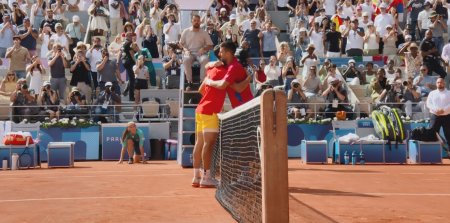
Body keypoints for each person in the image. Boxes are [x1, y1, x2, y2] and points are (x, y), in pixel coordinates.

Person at [192, 45, 249, 188]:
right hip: (210, 111)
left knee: (199, 143)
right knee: (208, 144)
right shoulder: (227, 71)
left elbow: (200, 89)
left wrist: (211, 95)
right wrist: (249, 77)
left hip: (200, 109)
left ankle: (196, 177)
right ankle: (206, 177)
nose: (220, 53)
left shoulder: (211, 69)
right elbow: (237, 88)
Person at [203, 41, 253, 109]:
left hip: (246, 107)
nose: (219, 54)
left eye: (221, 52)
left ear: (228, 54)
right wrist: (214, 63)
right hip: (239, 107)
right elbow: (206, 66)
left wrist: (208, 81)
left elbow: (224, 85)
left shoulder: (234, 67)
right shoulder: (227, 65)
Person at [179, 14, 213, 89]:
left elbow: (210, 45)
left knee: (205, 59)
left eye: (198, 21)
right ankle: (189, 82)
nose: (196, 22)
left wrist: (204, 48)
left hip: (200, 53)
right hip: (189, 53)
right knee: (186, 60)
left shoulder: (204, 32)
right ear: (192, 21)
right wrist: (185, 50)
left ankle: (202, 82)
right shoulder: (186, 31)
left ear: (200, 22)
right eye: (195, 21)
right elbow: (180, 44)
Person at [426, 78, 450, 149]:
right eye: (438, 82)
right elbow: (428, 103)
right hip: (435, 116)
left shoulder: (449, 93)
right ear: (436, 84)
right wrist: (436, 110)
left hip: (447, 116)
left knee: (448, 135)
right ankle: (432, 151)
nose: (439, 84)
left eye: (441, 82)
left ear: (444, 83)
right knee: (432, 133)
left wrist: (444, 110)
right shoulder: (432, 93)